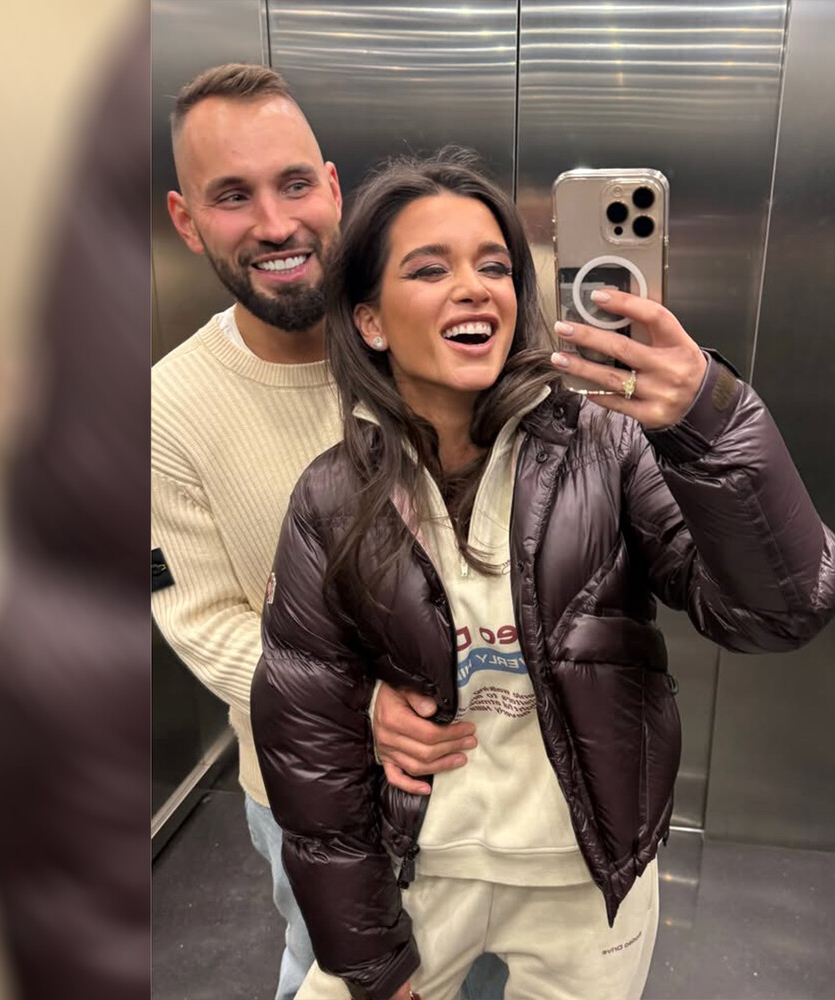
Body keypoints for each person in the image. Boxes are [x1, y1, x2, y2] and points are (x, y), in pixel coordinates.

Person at [253, 149, 835, 1000]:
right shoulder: (331, 496)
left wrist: (709, 419)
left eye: (495, 266)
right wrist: (371, 962)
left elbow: (780, 611)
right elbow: (309, 748)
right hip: (419, 866)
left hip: (587, 874)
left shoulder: (608, 448)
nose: (475, 289)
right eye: (430, 269)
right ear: (371, 322)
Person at [152, 66, 504, 1000]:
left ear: (334, 189)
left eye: (295, 183)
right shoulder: (165, 410)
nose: (275, 223)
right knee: (335, 976)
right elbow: (200, 616)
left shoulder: (432, 339)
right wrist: (357, 706)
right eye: (233, 196)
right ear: (187, 220)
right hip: (314, 794)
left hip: (490, 773)